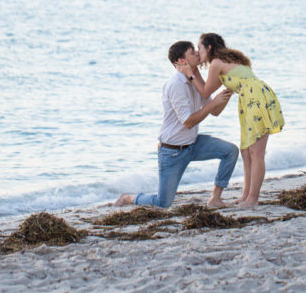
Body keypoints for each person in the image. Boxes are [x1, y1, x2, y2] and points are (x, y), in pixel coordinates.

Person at [114, 40, 239, 209]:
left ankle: (215, 198)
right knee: (163, 203)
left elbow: (215, 111)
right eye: (192, 52)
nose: (197, 54)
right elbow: (188, 122)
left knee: (230, 151)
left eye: (196, 50)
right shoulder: (176, 85)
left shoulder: (195, 81)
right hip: (172, 151)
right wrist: (212, 103)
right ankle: (128, 198)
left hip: (193, 144)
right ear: (182, 61)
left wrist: (228, 91)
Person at [177, 33, 284, 208]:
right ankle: (246, 196)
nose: (198, 52)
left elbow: (204, 92)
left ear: (209, 48)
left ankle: (253, 199)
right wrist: (193, 70)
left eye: (200, 48)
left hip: (255, 99)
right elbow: (208, 87)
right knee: (246, 152)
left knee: (256, 154)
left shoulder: (216, 63)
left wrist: (189, 73)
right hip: (251, 99)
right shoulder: (223, 61)